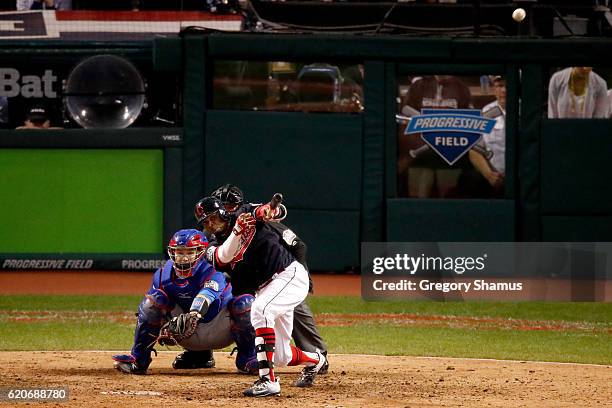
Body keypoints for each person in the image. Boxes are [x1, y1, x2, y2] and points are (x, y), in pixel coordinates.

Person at [197, 196, 327, 397]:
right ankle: (317, 360)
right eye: (205, 222)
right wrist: (238, 232)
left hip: (288, 274)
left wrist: (267, 211)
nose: (210, 224)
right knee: (281, 356)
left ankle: (268, 380)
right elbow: (222, 257)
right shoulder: (211, 242)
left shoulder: (243, 212)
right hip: (267, 287)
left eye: (212, 217)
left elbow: (268, 210)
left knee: (260, 310)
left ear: (223, 212)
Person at [111, 229, 257, 375]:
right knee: (152, 302)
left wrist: (192, 315)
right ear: (172, 252)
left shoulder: (214, 269)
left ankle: (248, 359)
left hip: (220, 330)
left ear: (200, 253)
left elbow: (206, 296)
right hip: (185, 334)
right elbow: (154, 311)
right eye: (180, 253)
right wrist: (165, 329)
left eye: (189, 253)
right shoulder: (162, 275)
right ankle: (138, 360)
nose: (184, 258)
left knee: (245, 303)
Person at [399, 75, 473, 198]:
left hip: (450, 157)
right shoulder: (418, 86)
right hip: (420, 157)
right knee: (417, 202)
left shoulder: (461, 87)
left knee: (449, 200)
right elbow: (405, 119)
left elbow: (469, 122)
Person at [459, 75, 506, 198]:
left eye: (508, 86)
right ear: (493, 89)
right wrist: (489, 175)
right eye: (500, 86)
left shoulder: (527, 110)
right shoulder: (486, 112)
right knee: (469, 180)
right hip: (492, 177)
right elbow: (474, 151)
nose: (504, 90)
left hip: (522, 178)